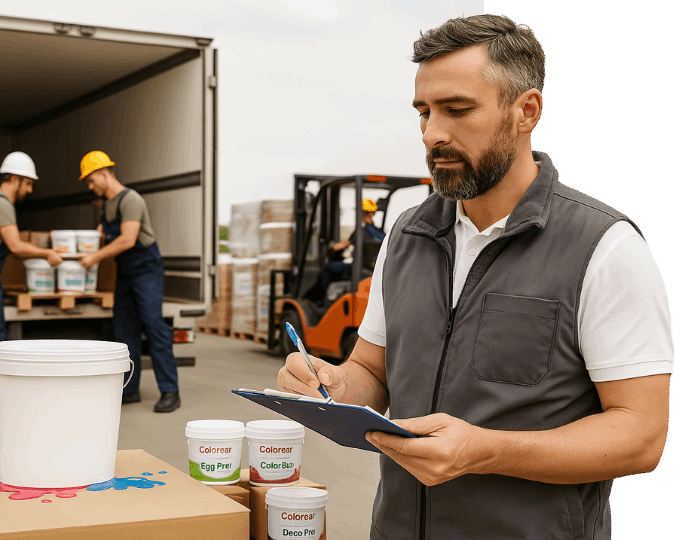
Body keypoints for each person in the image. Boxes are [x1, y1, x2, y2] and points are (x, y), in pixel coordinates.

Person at [278, 14, 672, 539]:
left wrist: (487, 451)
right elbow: (371, 374)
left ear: (525, 111)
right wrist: (329, 385)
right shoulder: (407, 237)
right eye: (424, 112)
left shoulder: (605, 248)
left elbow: (641, 436)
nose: (433, 134)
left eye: (458, 110)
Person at [0, 151, 62, 422]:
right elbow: (16, 246)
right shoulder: (2, 203)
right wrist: (47, 254)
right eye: (28, 184)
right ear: (15, 178)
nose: (29, 190)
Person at [78, 151, 181, 413]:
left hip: (146, 268)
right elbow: (101, 236)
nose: (90, 187)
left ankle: (170, 392)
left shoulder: (130, 199)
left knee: (154, 326)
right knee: (124, 332)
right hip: (125, 271)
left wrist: (94, 257)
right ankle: (130, 389)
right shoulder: (107, 205)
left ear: (104, 174)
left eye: (91, 181)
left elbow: (127, 240)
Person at [319, 198, 385, 292]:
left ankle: (321, 296)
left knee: (329, 267)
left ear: (363, 212)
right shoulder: (380, 233)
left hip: (358, 268)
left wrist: (332, 247)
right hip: (372, 269)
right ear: (373, 213)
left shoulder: (361, 231)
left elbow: (340, 246)